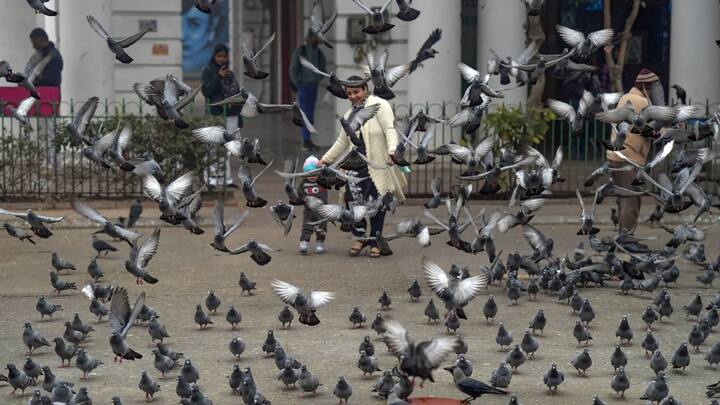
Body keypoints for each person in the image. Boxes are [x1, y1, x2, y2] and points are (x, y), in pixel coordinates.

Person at [319, 78, 407, 258]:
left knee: (378, 203)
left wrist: (392, 151)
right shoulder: (348, 115)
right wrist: (325, 160)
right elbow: (342, 142)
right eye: (349, 93)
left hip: (377, 165)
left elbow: (390, 129)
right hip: (354, 167)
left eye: (356, 92)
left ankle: (375, 240)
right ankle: (359, 238)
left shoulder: (380, 105)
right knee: (354, 203)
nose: (352, 96)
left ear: (365, 89)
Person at [606, 68, 665, 238]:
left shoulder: (626, 97)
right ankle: (627, 239)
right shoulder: (641, 102)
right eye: (654, 87)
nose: (656, 91)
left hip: (616, 157)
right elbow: (654, 127)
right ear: (646, 86)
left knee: (624, 201)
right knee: (631, 200)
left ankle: (622, 238)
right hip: (628, 159)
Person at [201, 44, 242, 188]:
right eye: (219, 56)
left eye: (224, 56)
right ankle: (210, 180)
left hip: (230, 114)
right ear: (214, 57)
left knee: (228, 147)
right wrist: (218, 77)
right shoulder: (208, 71)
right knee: (212, 147)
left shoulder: (230, 72)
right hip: (216, 113)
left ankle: (226, 179)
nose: (222, 59)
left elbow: (235, 93)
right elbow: (206, 91)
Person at [289, 32, 326, 151]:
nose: (314, 40)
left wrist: (317, 79)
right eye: (313, 38)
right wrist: (298, 83)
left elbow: (323, 68)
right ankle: (306, 140)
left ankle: (307, 139)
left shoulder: (319, 53)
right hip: (304, 87)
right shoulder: (302, 51)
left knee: (309, 113)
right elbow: (293, 69)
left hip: (313, 86)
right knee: (306, 113)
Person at [298, 155, 327, 255]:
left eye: (315, 173)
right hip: (309, 211)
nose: (312, 176)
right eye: (309, 174)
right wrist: (304, 198)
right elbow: (299, 192)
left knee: (321, 228)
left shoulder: (323, 181)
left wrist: (324, 168)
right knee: (307, 226)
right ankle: (304, 242)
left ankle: (320, 242)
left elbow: (330, 178)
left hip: (322, 210)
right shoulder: (303, 183)